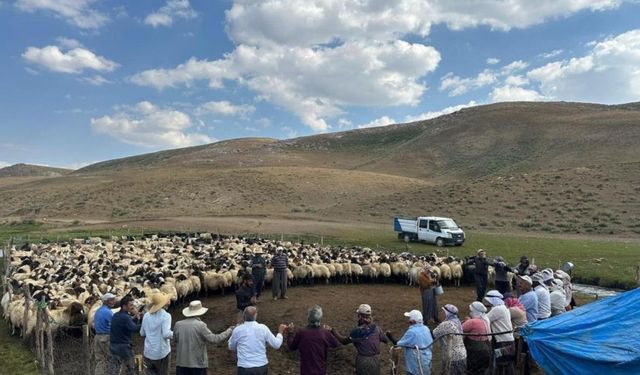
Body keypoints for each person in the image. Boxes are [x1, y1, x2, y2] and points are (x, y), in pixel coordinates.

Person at [174, 300, 234, 375]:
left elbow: (175, 340)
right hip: (197, 364)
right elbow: (214, 339)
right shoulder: (201, 325)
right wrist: (229, 330)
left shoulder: (178, 324)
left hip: (181, 363)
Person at [330, 304, 389, 375]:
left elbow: (344, 341)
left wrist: (333, 331)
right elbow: (385, 340)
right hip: (375, 360)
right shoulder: (377, 328)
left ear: (360, 316)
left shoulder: (358, 331)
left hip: (363, 360)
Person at [229, 306, 286, 374]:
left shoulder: (237, 330)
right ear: (255, 315)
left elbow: (231, 347)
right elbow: (276, 345)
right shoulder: (263, 328)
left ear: (243, 316)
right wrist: (280, 333)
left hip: (244, 368)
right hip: (261, 366)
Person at [286, 305, 340, 375]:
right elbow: (335, 344)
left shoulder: (301, 333)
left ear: (308, 317)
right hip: (320, 371)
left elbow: (291, 346)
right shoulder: (325, 333)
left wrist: (290, 333)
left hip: (306, 371)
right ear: (320, 318)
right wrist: (330, 331)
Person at [386, 309, 432, 375]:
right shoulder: (426, 329)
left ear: (412, 321)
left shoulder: (412, 332)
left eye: (409, 318)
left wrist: (390, 336)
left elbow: (398, 344)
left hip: (416, 365)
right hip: (427, 361)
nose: (408, 320)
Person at [140, 293, 173, 375]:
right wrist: (176, 333)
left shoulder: (146, 315)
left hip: (148, 352)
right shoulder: (166, 316)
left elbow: (142, 333)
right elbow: (166, 334)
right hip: (161, 353)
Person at [109, 295, 142, 375]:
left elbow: (126, 325)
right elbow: (133, 328)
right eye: (131, 305)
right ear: (124, 306)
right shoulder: (126, 318)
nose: (132, 307)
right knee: (130, 368)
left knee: (115, 369)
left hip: (113, 345)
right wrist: (143, 324)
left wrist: (134, 318)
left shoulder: (116, 315)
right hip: (124, 347)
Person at [485, 290, 516, 374]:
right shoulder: (504, 308)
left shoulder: (497, 309)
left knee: (502, 364)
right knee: (508, 364)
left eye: (489, 301)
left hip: (502, 342)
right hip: (508, 341)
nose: (489, 303)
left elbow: (485, 319)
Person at [432, 304, 466, 375]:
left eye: (442, 311)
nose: (440, 313)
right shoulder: (457, 321)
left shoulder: (447, 324)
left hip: (452, 357)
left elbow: (433, 335)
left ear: (447, 314)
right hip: (462, 355)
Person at [461, 302, 491, 375]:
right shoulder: (485, 320)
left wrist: (467, 321)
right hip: (486, 347)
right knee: (481, 370)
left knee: (472, 370)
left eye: (471, 310)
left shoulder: (472, 322)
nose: (470, 312)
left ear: (474, 311)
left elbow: (461, 329)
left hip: (474, 349)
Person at [93, 292, 116, 375]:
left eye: (114, 299)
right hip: (106, 337)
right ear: (106, 301)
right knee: (112, 359)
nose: (114, 301)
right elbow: (114, 325)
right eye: (111, 300)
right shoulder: (108, 312)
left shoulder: (98, 311)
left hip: (97, 337)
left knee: (100, 360)